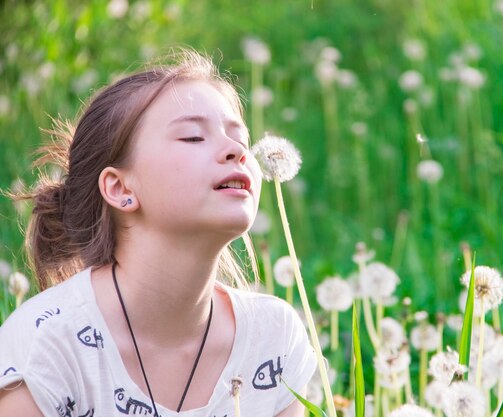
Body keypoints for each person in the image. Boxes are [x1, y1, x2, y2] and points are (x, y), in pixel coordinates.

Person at [0, 49, 316, 417]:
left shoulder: (271, 338)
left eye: (241, 141)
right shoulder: (48, 345)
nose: (236, 152)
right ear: (120, 189)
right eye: (194, 137)